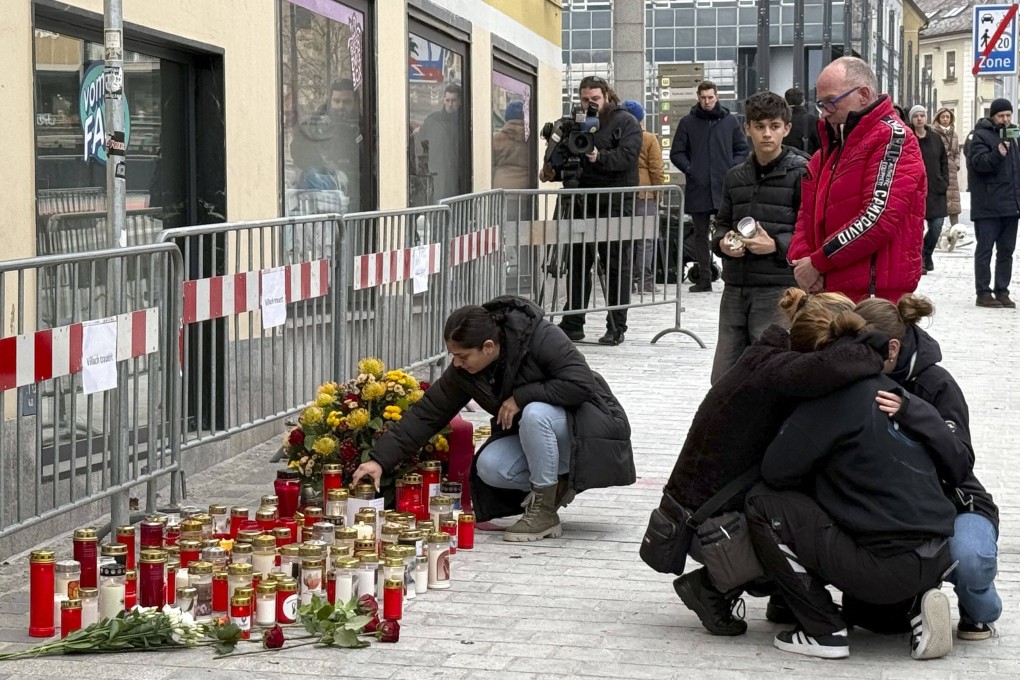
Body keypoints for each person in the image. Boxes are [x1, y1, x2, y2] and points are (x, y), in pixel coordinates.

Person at [664, 289, 885, 636]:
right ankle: (710, 588)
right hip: (708, 524)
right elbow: (836, 365)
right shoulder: (779, 368)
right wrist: (873, 345)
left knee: (798, 490)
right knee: (803, 514)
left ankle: (786, 597)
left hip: (704, 507)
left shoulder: (772, 355)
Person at [744, 307, 957, 661]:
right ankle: (915, 609)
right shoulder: (891, 390)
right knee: (870, 614)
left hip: (883, 566)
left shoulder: (831, 397)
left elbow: (777, 471)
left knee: (763, 501)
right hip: (937, 552)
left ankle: (823, 630)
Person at [352, 296, 634, 542]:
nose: (457, 363)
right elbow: (427, 413)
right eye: (453, 356)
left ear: (488, 347)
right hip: (542, 437)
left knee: (535, 413)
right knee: (490, 466)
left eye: (462, 356)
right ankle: (558, 484)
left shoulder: (541, 336)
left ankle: (544, 511)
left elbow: (582, 384)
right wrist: (379, 460)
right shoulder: (465, 371)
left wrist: (523, 397)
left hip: (589, 427)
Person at [854, 295, 1001, 642]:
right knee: (880, 622)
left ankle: (979, 611)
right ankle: (915, 599)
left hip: (954, 503)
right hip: (892, 511)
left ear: (892, 348)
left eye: (863, 349)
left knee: (970, 557)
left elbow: (960, 464)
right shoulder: (857, 379)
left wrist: (914, 413)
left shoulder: (937, 384)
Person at [788, 57, 926, 302]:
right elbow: (805, 215)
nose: (824, 112)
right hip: (829, 290)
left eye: (830, 102)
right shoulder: (826, 153)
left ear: (863, 94)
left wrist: (818, 262)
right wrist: (802, 261)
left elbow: (876, 217)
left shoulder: (893, 138)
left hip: (874, 297)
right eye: (820, 104)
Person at [709, 91, 809, 384]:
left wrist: (776, 245)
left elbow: (810, 233)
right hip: (735, 286)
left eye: (774, 126)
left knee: (770, 373)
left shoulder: (801, 173)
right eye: (760, 126)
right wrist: (722, 243)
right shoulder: (735, 176)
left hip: (777, 288)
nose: (767, 134)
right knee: (723, 378)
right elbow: (722, 223)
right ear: (747, 128)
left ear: (786, 129)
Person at [548, 75, 643, 346]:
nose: (589, 104)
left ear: (607, 96)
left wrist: (598, 156)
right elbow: (567, 159)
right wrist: (552, 166)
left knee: (615, 266)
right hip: (581, 201)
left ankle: (616, 325)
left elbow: (627, 157)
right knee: (578, 263)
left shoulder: (625, 121)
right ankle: (573, 322)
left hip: (615, 204)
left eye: (595, 99)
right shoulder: (575, 121)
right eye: (584, 99)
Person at [671, 80, 749, 293]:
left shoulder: (730, 122)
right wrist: (691, 169)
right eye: (703, 98)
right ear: (698, 97)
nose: (707, 101)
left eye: (710, 97)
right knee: (700, 234)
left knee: (730, 232)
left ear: (717, 97)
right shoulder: (688, 122)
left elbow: (742, 149)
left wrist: (733, 168)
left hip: (725, 186)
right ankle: (704, 278)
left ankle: (731, 276)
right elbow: (676, 152)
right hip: (699, 186)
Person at [965, 98, 1020, 308]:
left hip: (1011, 205)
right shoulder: (980, 135)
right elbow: (979, 164)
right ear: (993, 116)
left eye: (1008, 115)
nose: (1005, 120)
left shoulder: (1014, 135)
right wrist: (998, 152)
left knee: (1006, 251)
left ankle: (1002, 291)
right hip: (987, 205)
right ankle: (983, 292)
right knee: (985, 249)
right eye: (1001, 116)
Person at [289, 78, 363, 210]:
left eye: (347, 102)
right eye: (337, 101)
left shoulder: (363, 126)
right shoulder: (316, 122)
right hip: (324, 182)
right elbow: (298, 149)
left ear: (356, 103)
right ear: (330, 102)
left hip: (355, 184)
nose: (341, 106)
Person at [620, 99, 664, 294]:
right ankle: (646, 282)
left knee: (626, 240)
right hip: (645, 194)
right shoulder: (648, 138)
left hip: (623, 194)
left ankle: (627, 282)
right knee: (645, 240)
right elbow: (656, 169)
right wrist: (659, 193)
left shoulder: (618, 136)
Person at [908, 106, 949, 273]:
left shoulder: (935, 138)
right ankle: (920, 261)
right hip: (914, 190)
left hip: (935, 189)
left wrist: (944, 181)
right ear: (911, 119)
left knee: (937, 226)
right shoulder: (908, 137)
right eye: (916, 116)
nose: (919, 119)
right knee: (916, 229)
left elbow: (943, 161)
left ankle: (926, 254)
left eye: (922, 115)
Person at [416, 82, 464, 202]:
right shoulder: (433, 121)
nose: (450, 104)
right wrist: (424, 168)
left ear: (460, 102)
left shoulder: (464, 124)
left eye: (453, 100)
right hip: (437, 176)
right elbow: (421, 146)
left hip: (459, 177)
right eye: (447, 100)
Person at [492, 100, 532, 221]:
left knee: (503, 229)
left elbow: (491, 165)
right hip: (527, 190)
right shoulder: (531, 140)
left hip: (502, 190)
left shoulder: (497, 138)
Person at [933, 108, 963, 228]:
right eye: (943, 117)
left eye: (948, 117)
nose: (945, 119)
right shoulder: (933, 132)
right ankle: (938, 230)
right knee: (940, 199)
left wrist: (956, 164)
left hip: (952, 169)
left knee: (954, 200)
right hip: (939, 169)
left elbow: (957, 152)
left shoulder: (954, 133)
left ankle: (955, 229)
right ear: (938, 118)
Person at [784, 87, 821, 154]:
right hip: (807, 161)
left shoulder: (780, 119)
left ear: (786, 102)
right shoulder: (812, 120)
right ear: (803, 102)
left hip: (781, 162)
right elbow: (819, 146)